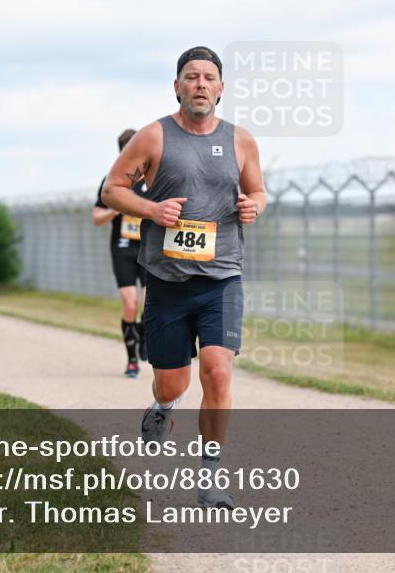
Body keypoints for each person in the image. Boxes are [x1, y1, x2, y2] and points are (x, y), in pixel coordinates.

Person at [102, 46, 266, 509]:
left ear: (221, 88)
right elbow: (112, 189)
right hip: (168, 282)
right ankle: (163, 407)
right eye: (190, 76)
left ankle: (211, 475)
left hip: (222, 278)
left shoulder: (242, 140)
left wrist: (256, 205)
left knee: (216, 373)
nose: (200, 84)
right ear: (177, 86)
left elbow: (257, 189)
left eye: (208, 77)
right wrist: (152, 208)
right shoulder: (154, 137)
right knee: (173, 382)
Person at [93, 129, 148, 378]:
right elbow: (96, 218)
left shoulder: (154, 180)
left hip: (150, 250)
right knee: (129, 303)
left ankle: (145, 335)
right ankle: (132, 360)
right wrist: (116, 208)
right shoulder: (112, 181)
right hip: (124, 249)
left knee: (150, 303)